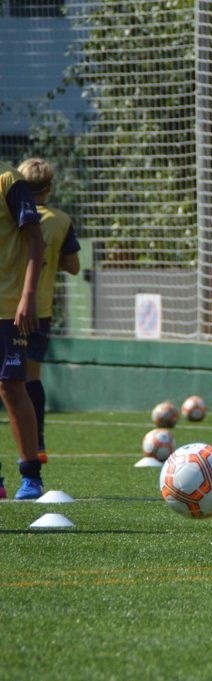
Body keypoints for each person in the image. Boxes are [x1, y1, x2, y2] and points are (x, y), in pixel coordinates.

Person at [17, 158, 82, 465]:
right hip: (38, 311)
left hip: (6, 306)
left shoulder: (9, 215)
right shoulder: (61, 221)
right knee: (31, 376)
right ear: (50, 187)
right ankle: (38, 444)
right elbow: (73, 266)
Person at [0, 161, 45, 500]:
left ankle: (31, 475)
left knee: (12, 386)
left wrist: (27, 297)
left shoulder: (9, 181)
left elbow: (35, 240)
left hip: (7, 306)